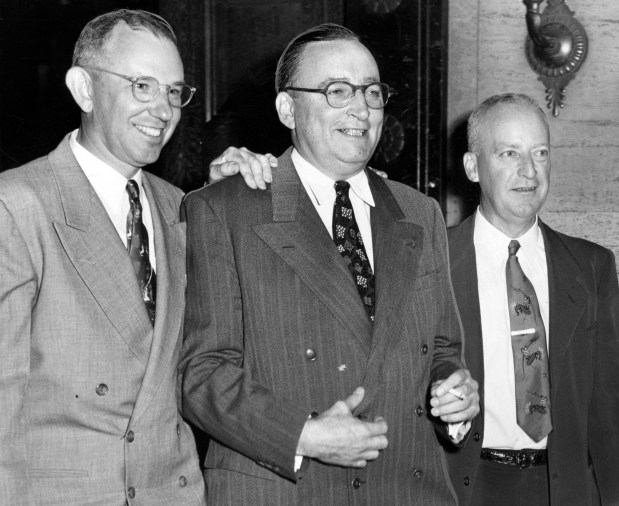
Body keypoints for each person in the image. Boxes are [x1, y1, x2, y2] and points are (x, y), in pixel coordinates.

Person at [179, 23, 479, 505]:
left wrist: (454, 394)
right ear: (286, 108)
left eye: (371, 92)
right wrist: (303, 435)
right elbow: (202, 372)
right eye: (337, 91)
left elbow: (441, 346)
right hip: (289, 491)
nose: (360, 109)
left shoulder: (419, 213)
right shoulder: (223, 209)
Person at [0, 9, 274, 505]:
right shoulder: (17, 205)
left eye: (174, 91)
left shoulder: (182, 208)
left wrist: (234, 203)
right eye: (142, 86)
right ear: (84, 89)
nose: (163, 109)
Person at [445, 93, 619, 506]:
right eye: (509, 153)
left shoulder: (592, 267)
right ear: (473, 166)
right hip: (465, 487)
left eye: (540, 153)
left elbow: (609, 408)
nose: (529, 171)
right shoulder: (434, 262)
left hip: (567, 490)